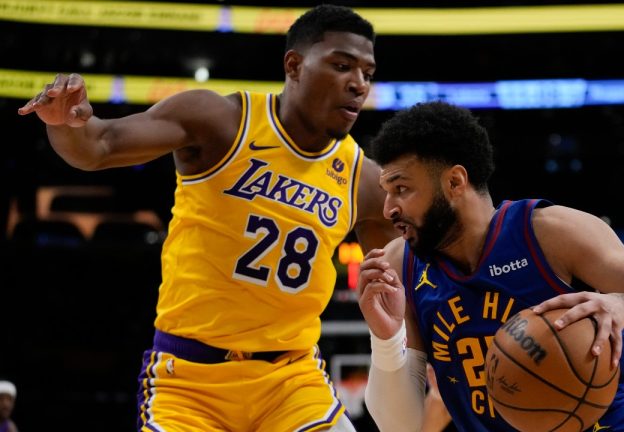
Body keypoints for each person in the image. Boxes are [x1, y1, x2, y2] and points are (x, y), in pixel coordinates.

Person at [18, 5, 397, 431]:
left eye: (367, 72)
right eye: (342, 65)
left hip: (292, 383)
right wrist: (65, 125)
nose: (358, 83)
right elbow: (99, 144)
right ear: (294, 65)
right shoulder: (220, 120)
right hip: (190, 381)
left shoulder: (365, 180)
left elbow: (402, 288)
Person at [356, 101, 624, 431]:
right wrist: (386, 339)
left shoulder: (551, 233)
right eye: (386, 191)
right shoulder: (401, 265)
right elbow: (401, 427)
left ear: (454, 182)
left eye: (401, 189)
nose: (388, 208)